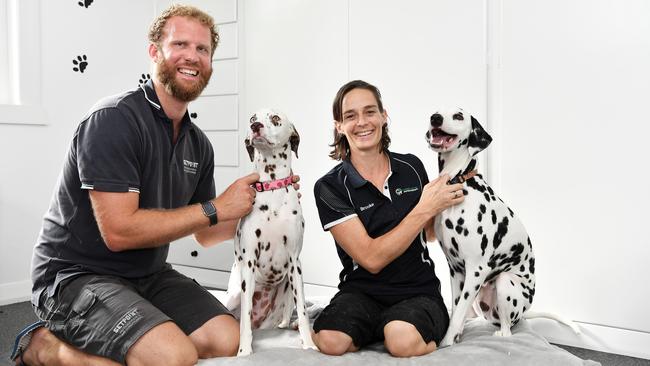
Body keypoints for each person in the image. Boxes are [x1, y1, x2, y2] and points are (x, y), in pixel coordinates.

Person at [10, 5, 290, 366]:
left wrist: (267, 208)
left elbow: (206, 232)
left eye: (203, 50)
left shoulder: (197, 143)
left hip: (148, 274)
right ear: (155, 52)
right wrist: (215, 207)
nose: (193, 57)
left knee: (226, 339)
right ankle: (45, 346)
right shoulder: (113, 120)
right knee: (173, 357)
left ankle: (134, 328)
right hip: (76, 276)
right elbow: (119, 232)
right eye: (181, 44)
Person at [311, 80, 471, 357]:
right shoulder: (329, 186)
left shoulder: (411, 167)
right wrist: (424, 206)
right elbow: (370, 259)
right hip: (361, 291)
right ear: (339, 126)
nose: (362, 122)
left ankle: (397, 326)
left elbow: (430, 234)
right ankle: (379, 325)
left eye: (370, 112)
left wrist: (455, 189)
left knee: (400, 341)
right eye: (350, 116)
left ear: (384, 116)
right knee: (330, 341)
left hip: (417, 291)